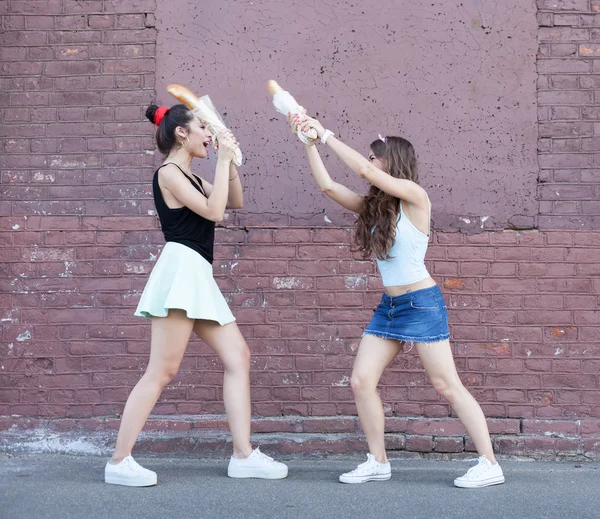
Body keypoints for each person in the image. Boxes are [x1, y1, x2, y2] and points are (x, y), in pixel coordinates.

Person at [287, 112, 504, 488]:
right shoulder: (378, 210)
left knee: (446, 385)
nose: (369, 161)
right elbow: (328, 187)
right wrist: (309, 145)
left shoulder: (416, 198)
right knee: (360, 381)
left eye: (375, 155)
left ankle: (489, 463)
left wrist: (326, 135)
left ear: (392, 161)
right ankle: (378, 461)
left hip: (421, 303)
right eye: (369, 156)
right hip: (389, 308)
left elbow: (367, 175)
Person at [104, 103, 288, 486]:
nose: (209, 134)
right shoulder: (169, 173)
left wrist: (230, 159)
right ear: (181, 134)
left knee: (238, 356)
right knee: (163, 370)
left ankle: (243, 455)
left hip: (197, 274)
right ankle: (119, 461)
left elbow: (232, 200)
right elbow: (214, 211)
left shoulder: (187, 175)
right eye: (203, 128)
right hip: (182, 272)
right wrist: (221, 161)